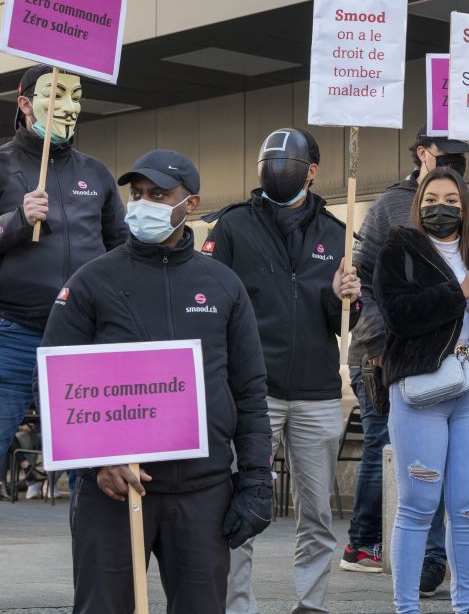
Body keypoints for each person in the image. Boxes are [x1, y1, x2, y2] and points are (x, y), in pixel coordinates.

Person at [38, 150, 272, 614]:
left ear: (192, 203)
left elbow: (249, 391)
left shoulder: (224, 285)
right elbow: (52, 384)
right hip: (114, 492)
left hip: (203, 493)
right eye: (138, 193)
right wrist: (97, 465)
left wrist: (255, 482)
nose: (143, 203)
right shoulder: (91, 281)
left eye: (159, 194)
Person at [345, 125, 469, 604]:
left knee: (467, 509)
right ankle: (406, 605)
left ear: (465, 205)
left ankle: (465, 603)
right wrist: (459, 293)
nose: (439, 205)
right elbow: (401, 315)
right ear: (418, 200)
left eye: (450, 197)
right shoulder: (398, 250)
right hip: (419, 392)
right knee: (418, 505)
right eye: (431, 197)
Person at [203, 127, 361, 614]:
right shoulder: (231, 227)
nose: (277, 171)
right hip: (253, 394)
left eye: (289, 164)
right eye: (269, 161)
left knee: (316, 512)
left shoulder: (338, 237)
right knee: (242, 506)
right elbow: (209, 305)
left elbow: (351, 321)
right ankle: (237, 606)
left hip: (315, 392)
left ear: (311, 172)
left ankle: (312, 603)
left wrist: (344, 299)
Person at [0, 64, 127, 498]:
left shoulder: (96, 173)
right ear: (24, 103)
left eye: (76, 97)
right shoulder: (2, 165)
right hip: (12, 334)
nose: (68, 107)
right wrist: (17, 220)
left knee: (87, 463)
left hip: (79, 337)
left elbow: (120, 250)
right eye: (56, 95)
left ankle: (93, 561)